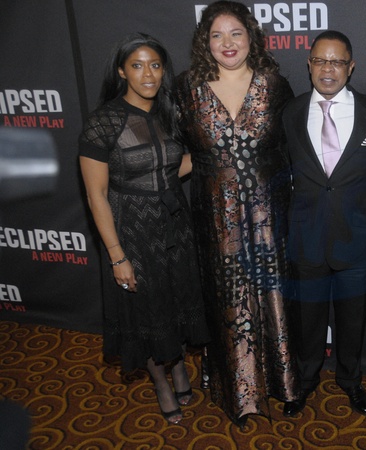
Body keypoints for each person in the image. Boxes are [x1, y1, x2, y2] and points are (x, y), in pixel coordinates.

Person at [175, 0, 298, 425]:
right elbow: (174, 151)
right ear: (204, 41)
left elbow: (291, 150)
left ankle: (282, 385)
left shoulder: (275, 85)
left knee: (272, 296)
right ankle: (239, 394)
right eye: (217, 35)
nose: (227, 43)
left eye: (236, 33)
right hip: (215, 214)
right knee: (228, 300)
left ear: (251, 38)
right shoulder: (186, 87)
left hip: (268, 213)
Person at [79, 32, 209, 425]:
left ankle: (179, 366)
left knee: (176, 301)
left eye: (155, 65)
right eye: (137, 65)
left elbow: (174, 166)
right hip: (132, 229)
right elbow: (97, 195)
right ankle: (161, 383)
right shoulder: (103, 122)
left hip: (175, 224)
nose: (148, 74)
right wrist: (117, 256)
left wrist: (213, 153)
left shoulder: (171, 113)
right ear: (122, 71)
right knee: (146, 310)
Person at [280, 30, 366, 418]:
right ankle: (305, 379)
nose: (328, 69)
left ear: (351, 66)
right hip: (305, 237)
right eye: (320, 61)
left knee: (353, 320)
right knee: (306, 319)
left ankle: (350, 380)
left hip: (357, 238)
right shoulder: (290, 113)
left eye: (337, 62)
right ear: (309, 64)